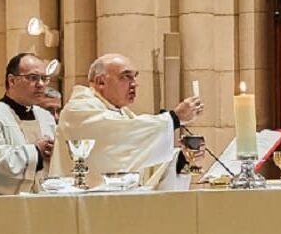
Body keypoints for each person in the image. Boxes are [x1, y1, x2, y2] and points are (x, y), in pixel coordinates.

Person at [50, 54, 203, 190]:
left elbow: (138, 160)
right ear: (101, 81)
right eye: (126, 77)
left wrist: (182, 160)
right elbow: (120, 137)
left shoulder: (123, 114)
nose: (134, 84)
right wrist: (174, 118)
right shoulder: (79, 109)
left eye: (135, 77)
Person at [0, 53, 57, 196]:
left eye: (44, 79)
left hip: (42, 204)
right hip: (1, 208)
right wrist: (36, 152)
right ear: (12, 81)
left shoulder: (46, 117)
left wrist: (55, 153)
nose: (40, 84)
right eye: (33, 78)